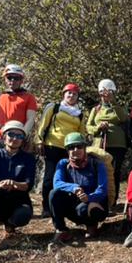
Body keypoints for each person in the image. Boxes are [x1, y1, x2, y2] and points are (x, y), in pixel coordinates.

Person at [0, 120, 36, 244]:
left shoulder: (28, 158)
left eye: (19, 136)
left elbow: (28, 184)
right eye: (11, 134)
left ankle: (10, 225)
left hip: (18, 198)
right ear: (4, 137)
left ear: (23, 140)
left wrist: (14, 184)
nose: (15, 138)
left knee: (24, 214)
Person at [34, 82, 84, 216]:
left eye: (74, 94)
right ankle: (46, 207)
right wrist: (39, 141)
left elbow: (81, 132)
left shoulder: (79, 114)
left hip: (70, 149)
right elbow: (43, 124)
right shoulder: (54, 107)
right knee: (50, 176)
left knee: (68, 176)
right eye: (69, 93)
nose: (71, 96)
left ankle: (63, 206)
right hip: (52, 145)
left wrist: (82, 148)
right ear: (64, 94)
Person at [49, 133, 109, 244]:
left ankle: (91, 224)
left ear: (84, 148)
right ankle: (61, 229)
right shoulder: (63, 164)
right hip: (73, 202)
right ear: (67, 150)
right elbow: (57, 183)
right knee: (54, 194)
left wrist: (89, 198)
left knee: (83, 209)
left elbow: (103, 189)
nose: (75, 150)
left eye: (79, 146)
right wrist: (74, 188)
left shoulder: (97, 164)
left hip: (94, 203)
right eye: (71, 147)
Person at [0, 64, 39, 151]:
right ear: (5, 79)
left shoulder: (29, 97)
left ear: (21, 80)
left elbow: (31, 119)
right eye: (9, 77)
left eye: (16, 78)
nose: (12, 80)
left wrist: (23, 135)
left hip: (15, 139)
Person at [86, 78, 128, 196]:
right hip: (99, 144)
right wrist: (98, 128)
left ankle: (112, 198)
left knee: (114, 171)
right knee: (99, 170)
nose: (105, 96)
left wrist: (112, 102)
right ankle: (99, 196)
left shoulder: (119, 108)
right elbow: (88, 126)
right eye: (102, 93)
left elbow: (123, 118)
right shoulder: (96, 109)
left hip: (117, 144)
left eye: (108, 93)